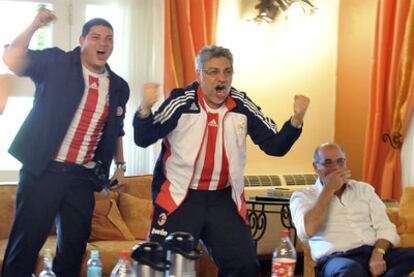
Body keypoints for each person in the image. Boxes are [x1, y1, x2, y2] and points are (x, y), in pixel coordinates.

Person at [133, 45, 310, 276]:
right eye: (213, 72)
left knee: (245, 267)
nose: (222, 79)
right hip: (181, 198)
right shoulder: (181, 101)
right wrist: (145, 108)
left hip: (222, 200)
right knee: (164, 267)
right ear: (199, 74)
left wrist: (296, 120)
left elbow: (275, 146)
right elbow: (143, 138)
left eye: (227, 72)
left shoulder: (241, 105)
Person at [1, 9, 129, 277]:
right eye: (95, 37)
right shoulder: (57, 62)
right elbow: (12, 58)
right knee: (25, 245)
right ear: (81, 41)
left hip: (82, 177)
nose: (102, 43)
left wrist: (121, 163)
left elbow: (116, 128)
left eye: (109, 38)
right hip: (43, 171)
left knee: (73, 249)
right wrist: (34, 24)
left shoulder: (118, 86)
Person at [290, 142, 414, 277]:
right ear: (316, 167)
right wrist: (329, 189)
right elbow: (307, 229)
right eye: (327, 162)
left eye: (340, 161)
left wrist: (378, 254)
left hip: (374, 254)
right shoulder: (303, 196)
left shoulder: (364, 189)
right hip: (338, 259)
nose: (336, 168)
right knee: (350, 271)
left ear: (346, 163)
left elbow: (385, 227)